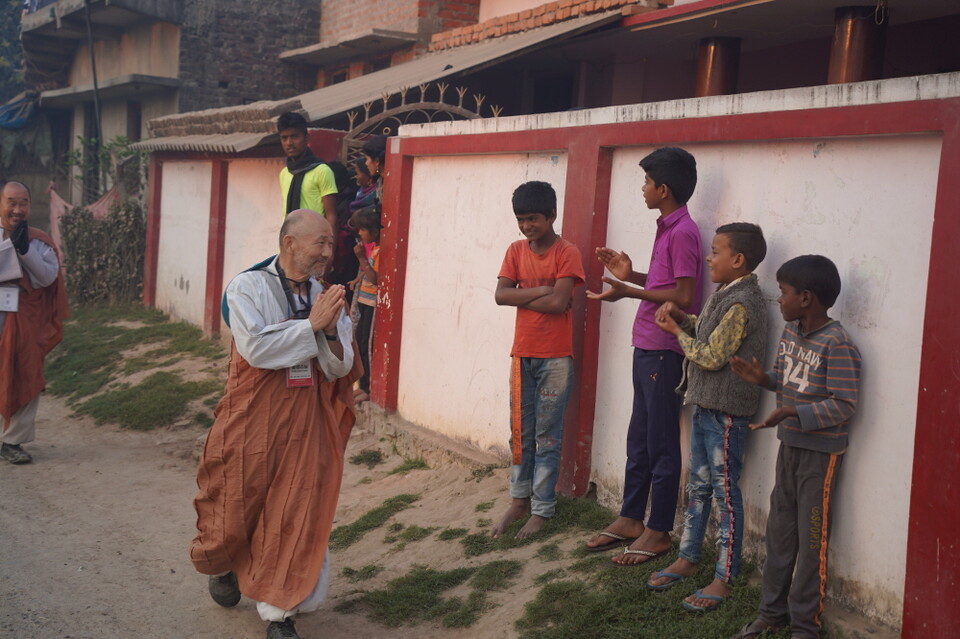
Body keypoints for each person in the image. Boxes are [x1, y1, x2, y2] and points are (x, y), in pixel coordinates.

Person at [190, 209, 360, 639]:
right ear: (289, 243)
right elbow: (255, 349)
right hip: (253, 417)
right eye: (319, 243)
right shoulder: (247, 287)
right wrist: (312, 325)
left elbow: (340, 368)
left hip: (307, 418)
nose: (327, 251)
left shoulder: (327, 294)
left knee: (296, 508)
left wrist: (333, 332)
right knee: (236, 504)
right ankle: (226, 561)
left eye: (329, 243)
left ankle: (278, 612)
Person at [728, 255, 861, 639]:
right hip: (789, 447)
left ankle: (805, 625)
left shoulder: (837, 344)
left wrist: (791, 412)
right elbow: (787, 382)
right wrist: (764, 379)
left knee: (811, 540)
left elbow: (844, 404)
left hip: (819, 457)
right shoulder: (793, 333)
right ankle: (770, 613)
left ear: (806, 298)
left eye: (783, 293)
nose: (778, 300)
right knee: (780, 533)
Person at [584, 146, 704, 565]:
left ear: (663, 189)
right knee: (639, 437)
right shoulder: (668, 227)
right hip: (647, 344)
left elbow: (685, 296)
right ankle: (632, 517)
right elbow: (664, 284)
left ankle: (658, 531)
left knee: (661, 442)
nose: (642, 189)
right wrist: (628, 274)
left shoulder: (685, 232)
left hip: (666, 350)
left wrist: (630, 291)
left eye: (647, 183)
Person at [648, 223, 768, 611]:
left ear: (738, 260)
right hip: (707, 407)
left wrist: (676, 334)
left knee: (724, 494)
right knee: (698, 487)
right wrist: (683, 319)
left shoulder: (743, 303)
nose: (708, 258)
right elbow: (707, 332)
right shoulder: (727, 293)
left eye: (715, 251)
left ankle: (725, 577)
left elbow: (713, 357)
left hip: (727, 416)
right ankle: (687, 557)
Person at [492, 181, 586, 539]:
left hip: (556, 359)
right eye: (521, 219)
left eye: (533, 219)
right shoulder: (515, 250)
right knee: (520, 433)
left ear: (552, 215)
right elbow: (500, 295)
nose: (527, 226)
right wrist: (543, 290)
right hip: (522, 355)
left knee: (547, 435)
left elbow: (558, 304)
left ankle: (542, 508)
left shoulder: (567, 253)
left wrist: (523, 295)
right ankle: (519, 500)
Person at [0, 181, 69, 465]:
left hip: (26, 315)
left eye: (23, 203)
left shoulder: (38, 240)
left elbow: (46, 278)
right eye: (11, 202)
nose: (17, 209)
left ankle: (13, 441)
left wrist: (24, 250)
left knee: (26, 372)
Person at [277, 112, 338, 227]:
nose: (289, 143)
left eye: (294, 136)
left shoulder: (322, 170)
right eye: (284, 138)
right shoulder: (284, 173)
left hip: (314, 241)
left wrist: (329, 244)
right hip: (290, 241)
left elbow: (332, 215)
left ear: (306, 138)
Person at [348, 206, 380, 403]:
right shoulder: (375, 250)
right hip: (363, 301)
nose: (360, 233)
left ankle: (367, 388)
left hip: (371, 303)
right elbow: (367, 273)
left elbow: (375, 278)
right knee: (359, 344)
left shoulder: (380, 251)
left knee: (367, 346)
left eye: (362, 230)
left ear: (374, 231)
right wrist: (358, 278)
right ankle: (362, 385)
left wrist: (360, 258)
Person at [361, 135, 387, 204]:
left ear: (377, 161)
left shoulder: (390, 183)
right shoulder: (380, 181)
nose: (366, 163)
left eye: (367, 159)